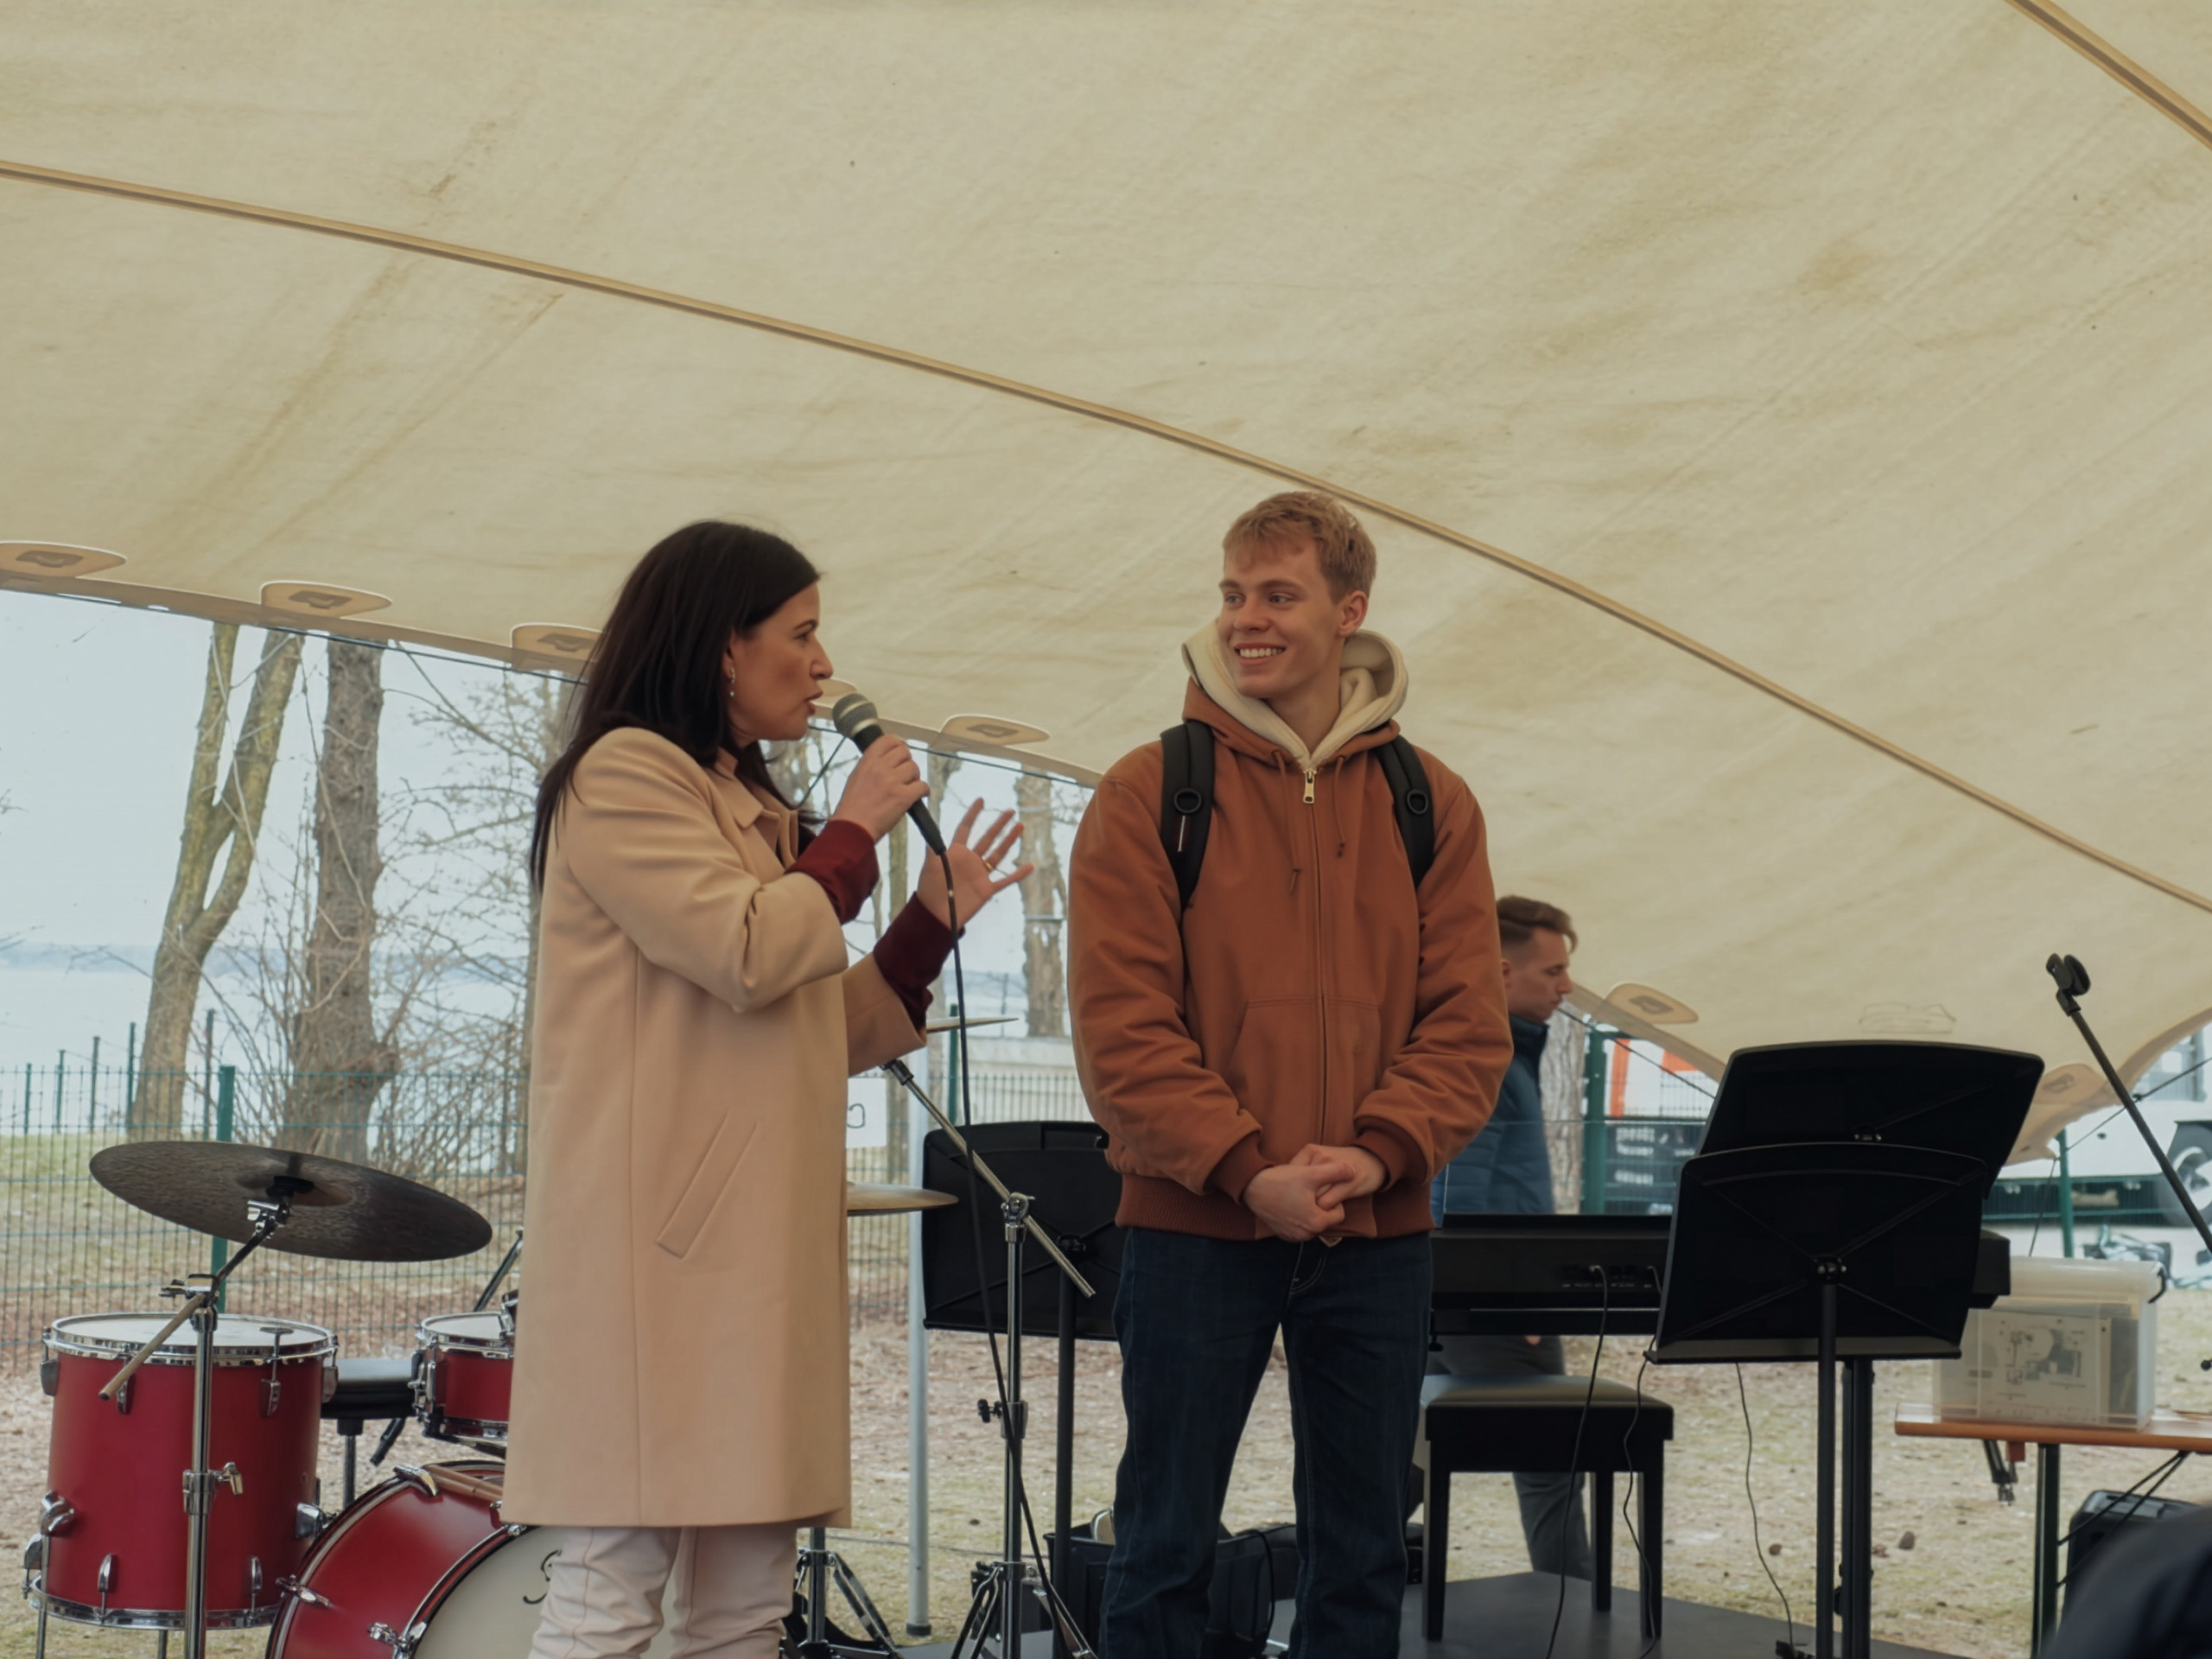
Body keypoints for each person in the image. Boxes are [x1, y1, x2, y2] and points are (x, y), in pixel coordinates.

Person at [503, 520, 1031, 1659]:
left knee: (746, 1607)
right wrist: (851, 834)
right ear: (721, 645)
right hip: (657, 1260)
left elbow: (798, 1025)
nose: (825, 665)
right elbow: (746, 949)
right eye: (801, 635)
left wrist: (928, 924)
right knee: (612, 1589)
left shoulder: (743, 803)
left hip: (750, 1259)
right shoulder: (625, 774)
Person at [1068, 491, 1514, 1657]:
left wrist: (1374, 1153)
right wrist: (1243, 1169)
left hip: (1376, 1234)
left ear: (1349, 611)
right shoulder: (1146, 793)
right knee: (1162, 1547)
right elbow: (1121, 1031)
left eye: (1277, 595)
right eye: (1231, 595)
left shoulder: (1434, 804)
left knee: (1363, 1553)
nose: (1246, 619)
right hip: (1193, 1228)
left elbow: (1468, 1023)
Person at [1428, 894, 1593, 1580]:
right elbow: (1458, 1194)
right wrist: (1521, 1297)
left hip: (1460, 1296)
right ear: (1498, 972)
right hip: (1496, 1302)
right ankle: (1579, 1622)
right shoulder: (1487, 1058)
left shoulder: (1496, 1052)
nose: (1567, 986)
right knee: (1554, 1464)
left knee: (1404, 1461)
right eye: (1552, 971)